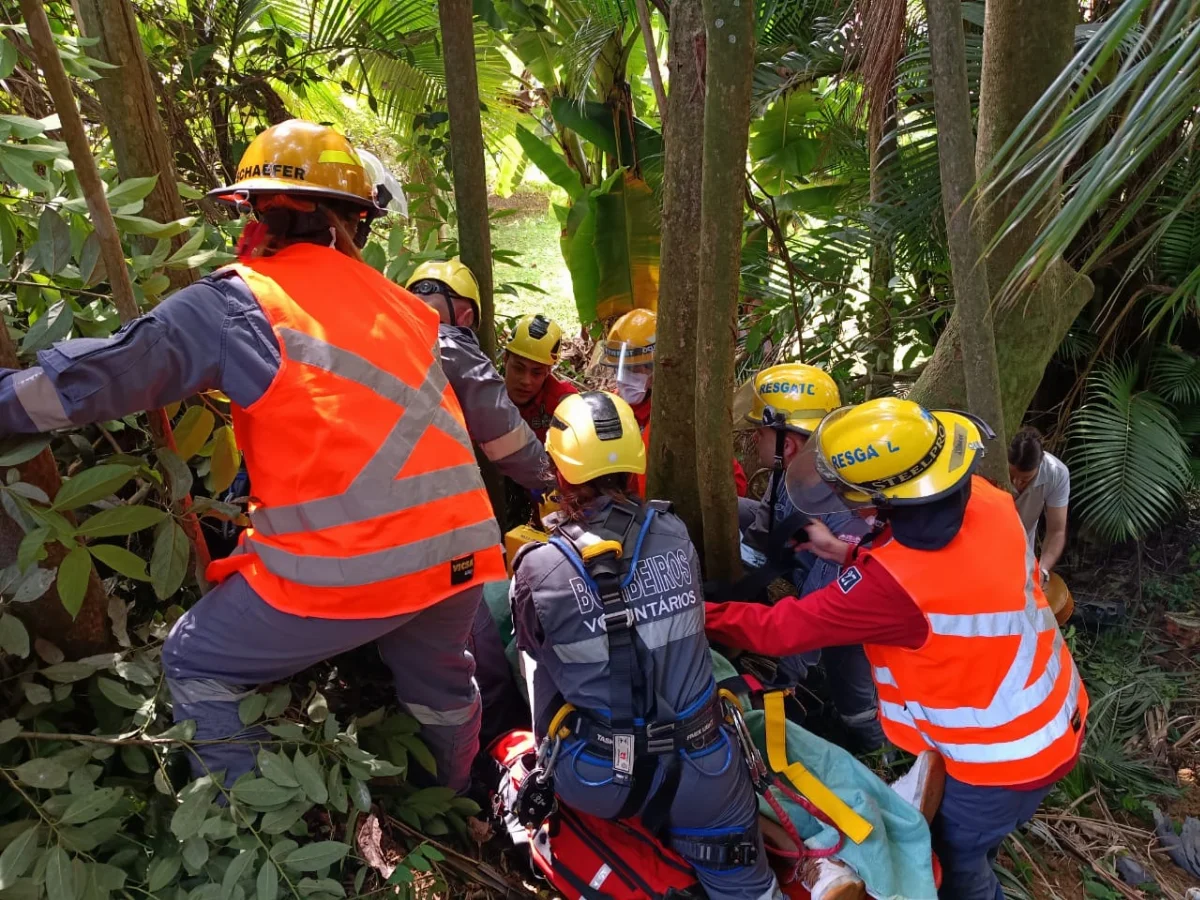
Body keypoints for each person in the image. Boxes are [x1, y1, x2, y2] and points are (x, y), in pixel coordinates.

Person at [0, 120, 506, 791]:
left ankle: (253, 821)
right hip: (461, 550)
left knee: (195, 660)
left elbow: (93, 382)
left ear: (252, 211)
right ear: (356, 219)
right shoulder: (404, 306)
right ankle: (456, 799)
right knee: (441, 686)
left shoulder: (240, 302)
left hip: (354, 571)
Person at [704, 397, 1089, 900]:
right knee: (980, 842)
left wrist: (694, 613)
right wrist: (848, 551)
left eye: (855, 497)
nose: (849, 505)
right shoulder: (985, 498)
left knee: (954, 862)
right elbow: (946, 573)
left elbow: (781, 630)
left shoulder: (892, 589)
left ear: (891, 499)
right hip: (1053, 716)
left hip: (1001, 760)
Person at [509, 391, 782, 900]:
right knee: (745, 883)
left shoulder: (537, 566)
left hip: (599, 775)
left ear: (558, 470)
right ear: (636, 466)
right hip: (706, 766)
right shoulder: (675, 532)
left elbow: (536, 652)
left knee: (532, 651)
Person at [736, 364, 886, 753]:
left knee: (854, 703)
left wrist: (776, 683)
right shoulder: (794, 471)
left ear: (787, 443)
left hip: (850, 613)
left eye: (760, 432)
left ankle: (881, 755)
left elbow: (818, 619)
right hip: (812, 578)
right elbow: (767, 519)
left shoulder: (844, 511)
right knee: (733, 509)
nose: (755, 439)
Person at [597, 309, 747, 497]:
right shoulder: (609, 409)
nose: (624, 378)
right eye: (620, 368)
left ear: (656, 367)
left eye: (634, 368)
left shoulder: (683, 415)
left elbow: (734, 486)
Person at [502, 313, 580, 443]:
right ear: (505, 360)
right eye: (518, 368)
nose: (526, 381)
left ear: (548, 371)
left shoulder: (563, 402)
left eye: (536, 373)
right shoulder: (488, 399)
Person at [1009, 427, 1069, 584]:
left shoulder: (1056, 473)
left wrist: (1042, 570)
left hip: (1022, 553)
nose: (1016, 483)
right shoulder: (986, 465)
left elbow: (1056, 531)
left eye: (1025, 478)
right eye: (1012, 475)